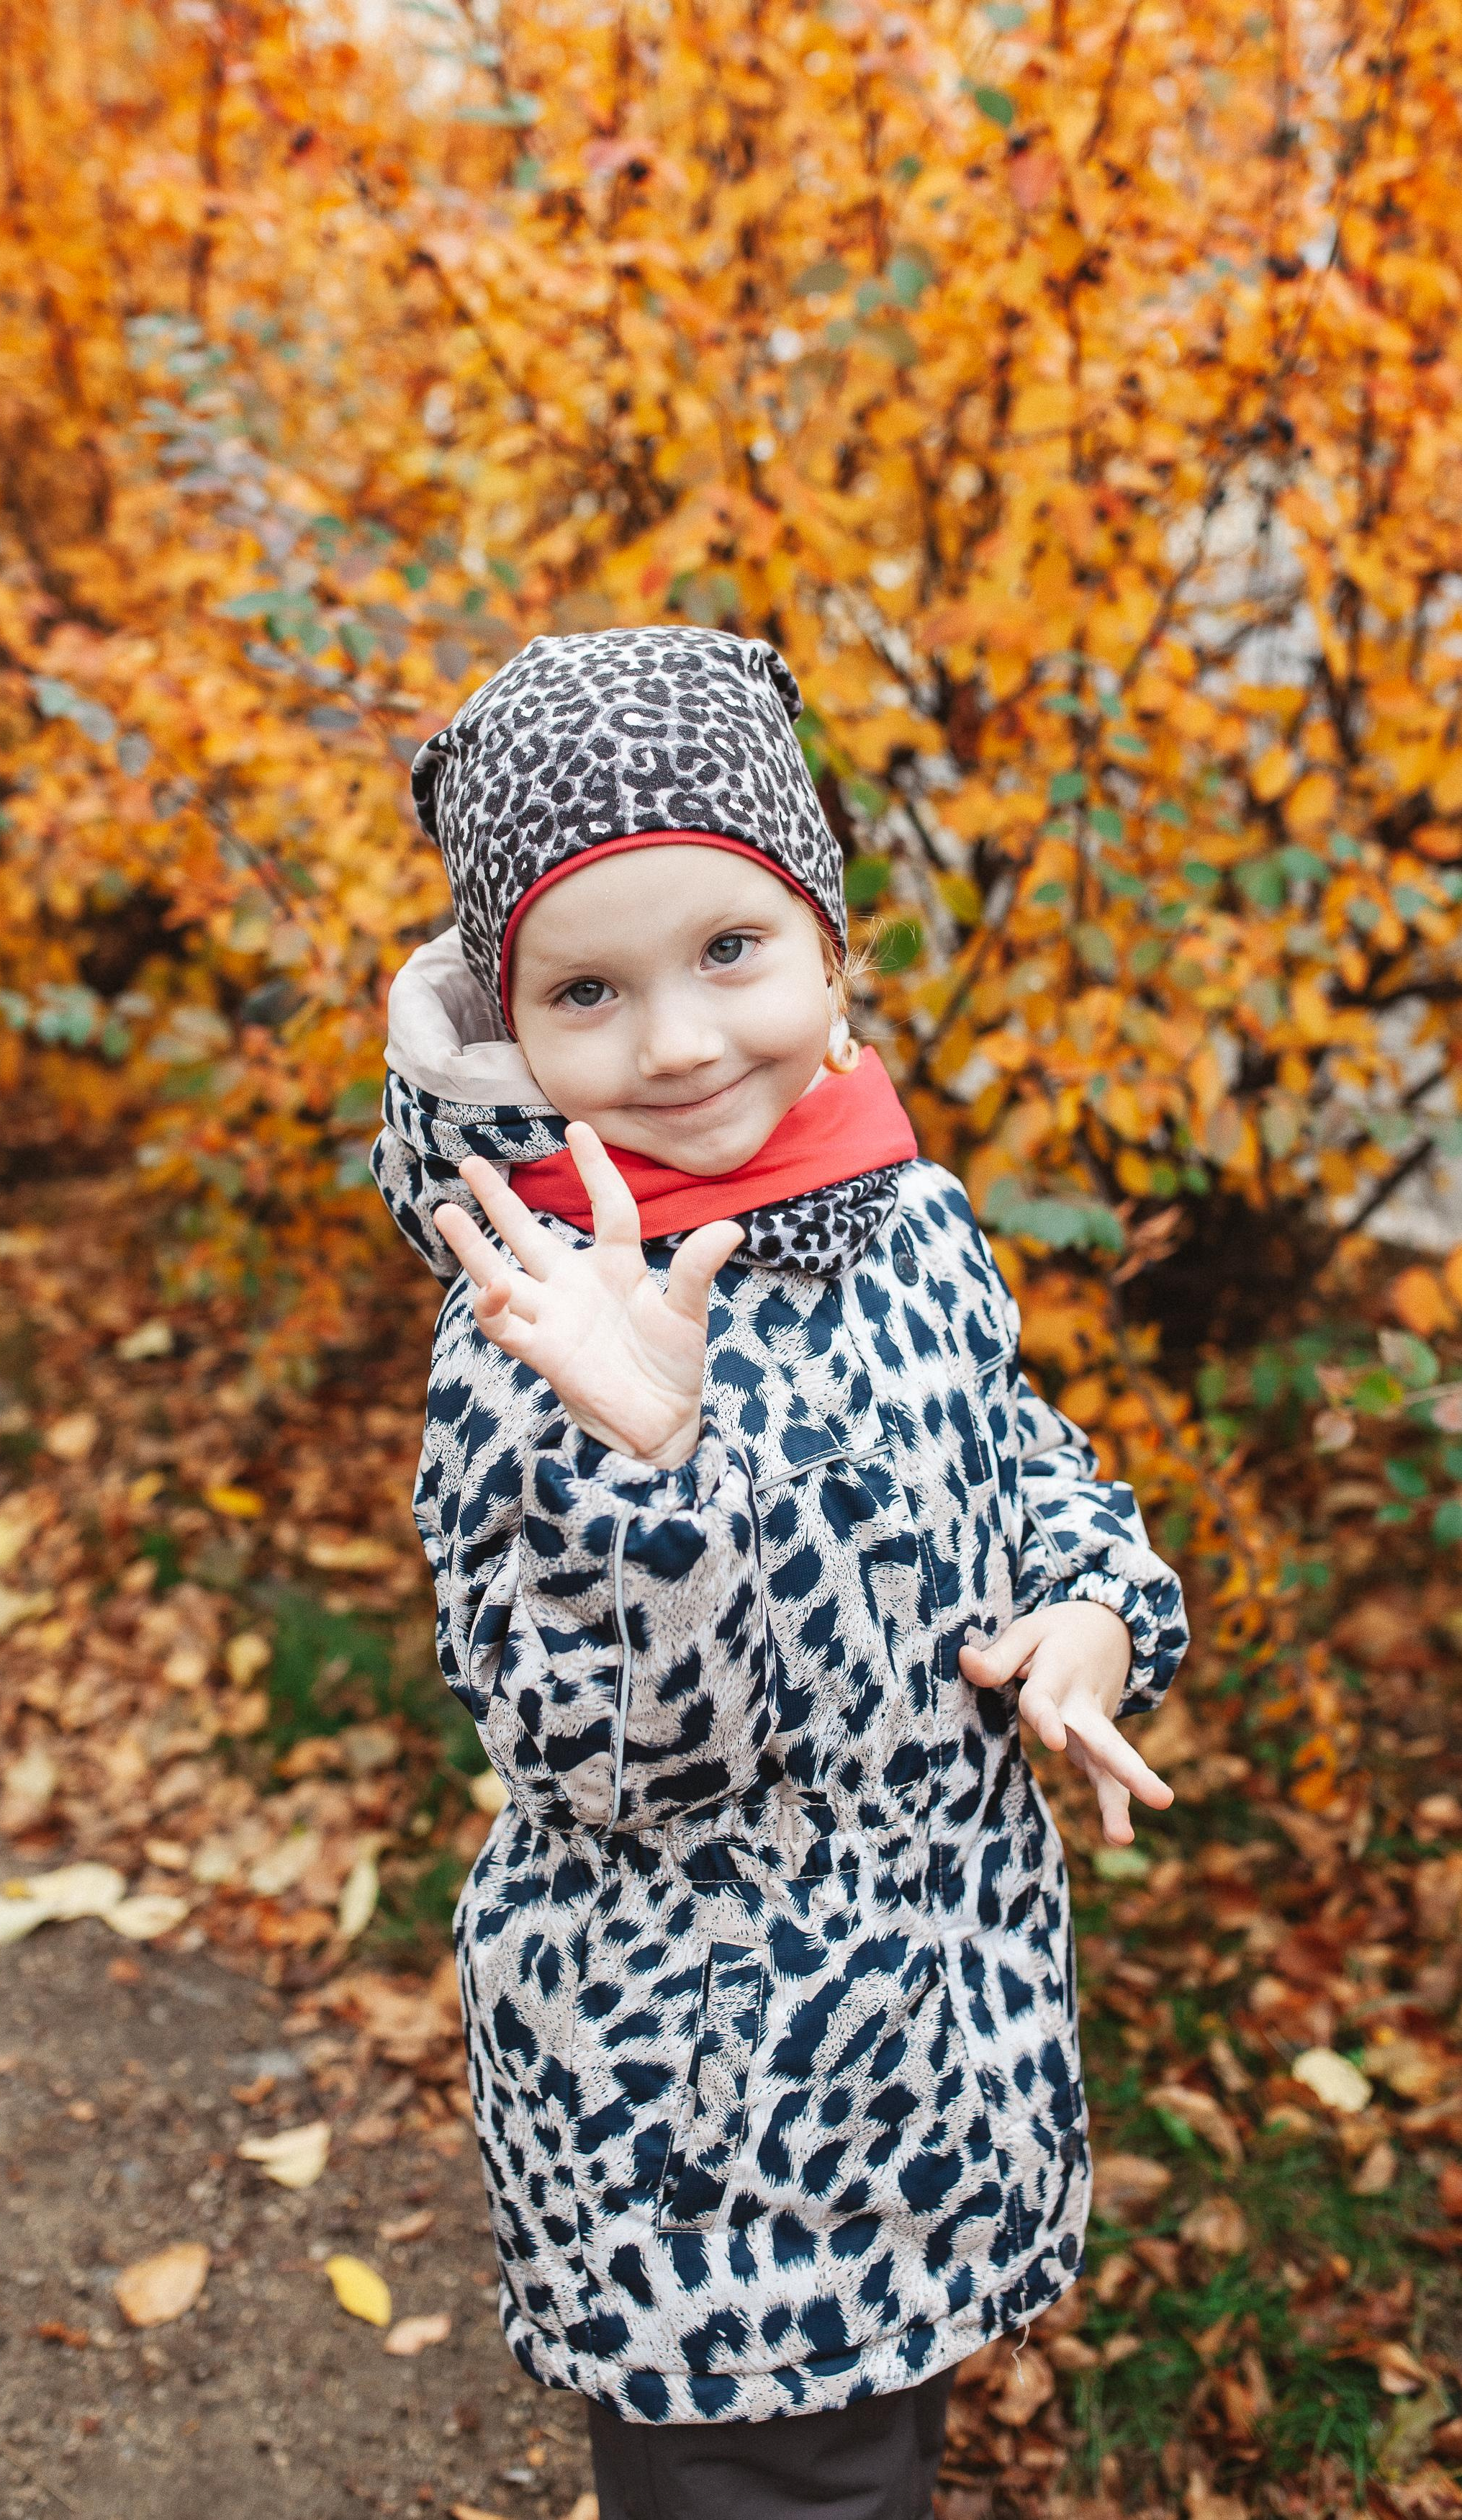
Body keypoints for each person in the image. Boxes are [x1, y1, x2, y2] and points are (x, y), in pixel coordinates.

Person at [372, 625, 1188, 2520]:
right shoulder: (536, 1323)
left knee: (875, 2446)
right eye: (588, 989)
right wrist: (651, 1470)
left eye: (727, 950)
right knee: (769, 2475)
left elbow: (1014, 1451)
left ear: (831, 946)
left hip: (933, 2038)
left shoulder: (891, 1200)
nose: (674, 1041)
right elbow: (591, 1748)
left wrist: (1083, 1608)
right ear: (514, 1032)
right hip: (700, 2113)